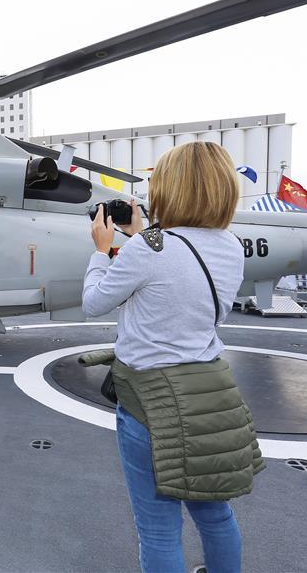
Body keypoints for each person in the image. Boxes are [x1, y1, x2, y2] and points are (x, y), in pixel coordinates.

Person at [82, 142, 262, 573]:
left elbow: (94, 302)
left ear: (170, 189)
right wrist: (141, 234)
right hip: (211, 395)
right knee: (215, 515)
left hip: (151, 400)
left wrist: (101, 250)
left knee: (159, 530)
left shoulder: (150, 248)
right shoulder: (230, 245)